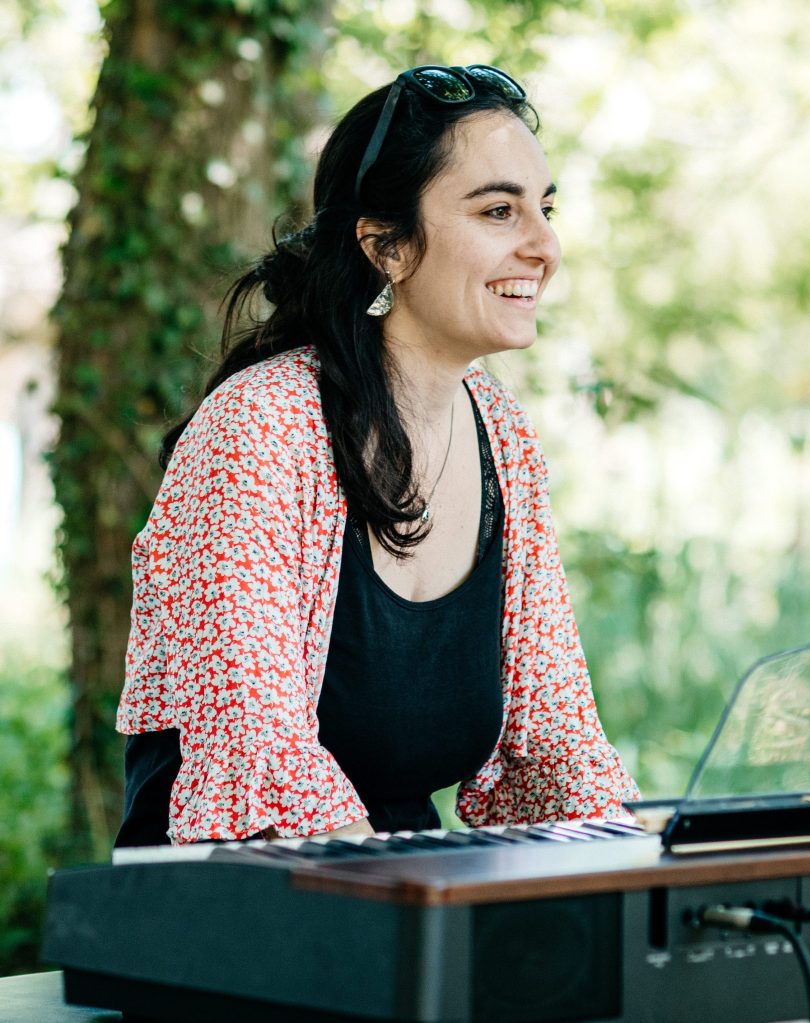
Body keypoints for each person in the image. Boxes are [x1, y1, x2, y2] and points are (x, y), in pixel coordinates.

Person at [115, 65, 638, 847]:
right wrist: (412, 907)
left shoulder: (500, 431)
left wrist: (646, 867)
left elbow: (551, 739)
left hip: (401, 882)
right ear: (385, 245)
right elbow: (262, 752)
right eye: (499, 210)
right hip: (235, 891)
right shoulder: (258, 428)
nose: (544, 246)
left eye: (545, 209)